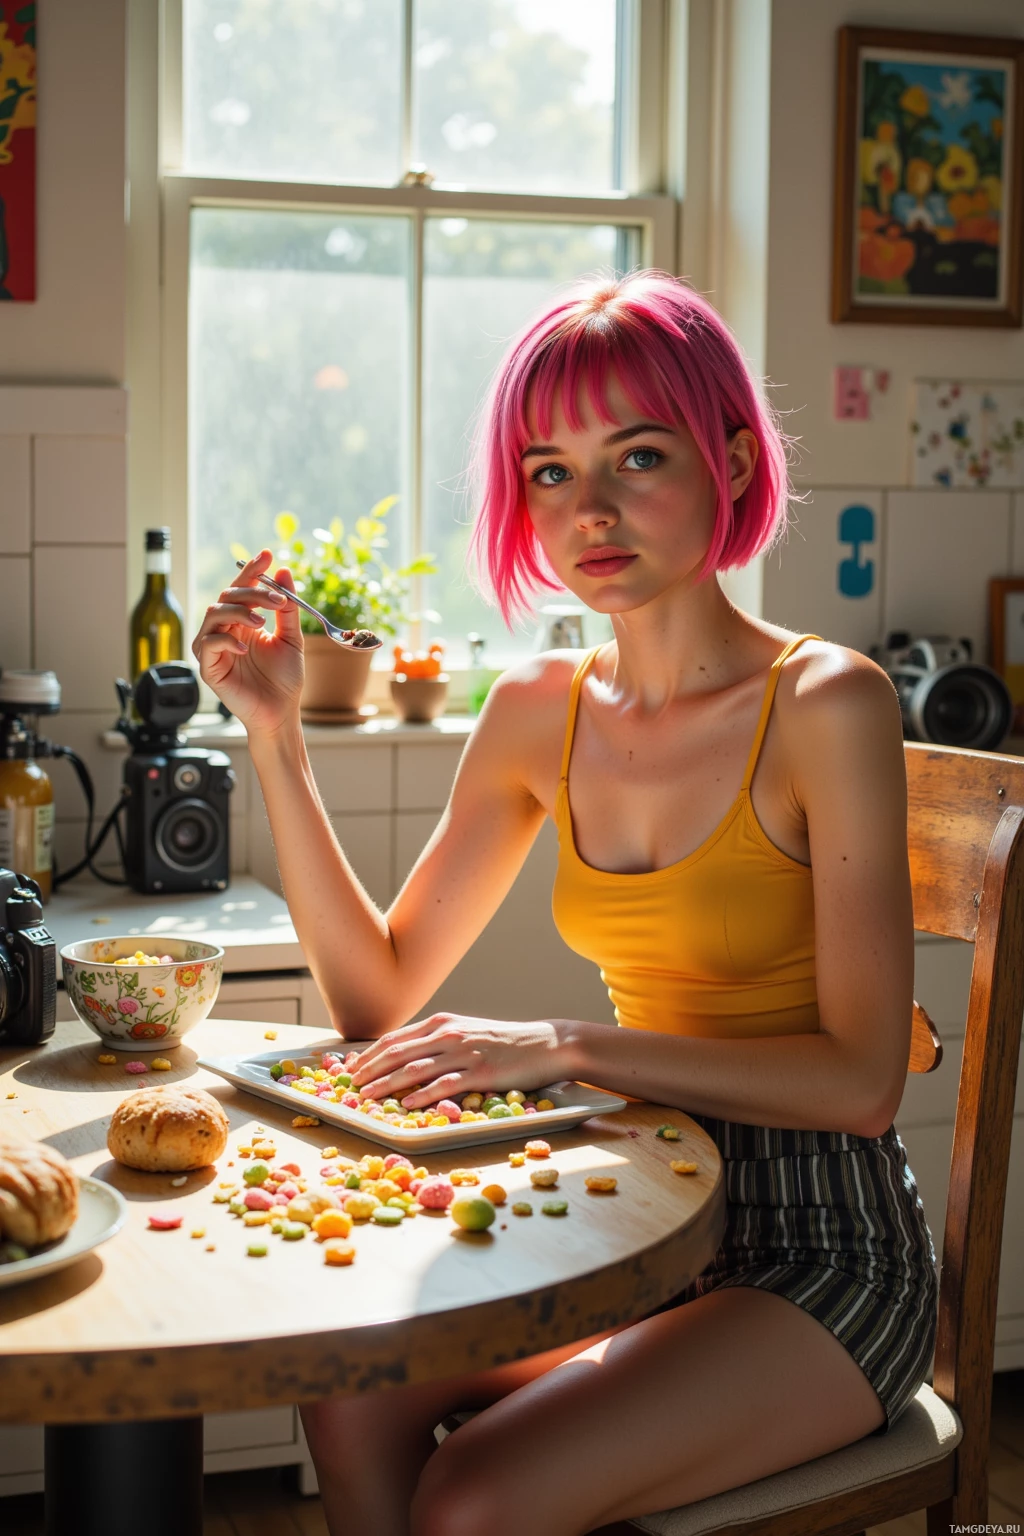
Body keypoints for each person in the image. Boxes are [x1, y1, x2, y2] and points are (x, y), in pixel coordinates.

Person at [193, 271, 937, 1536]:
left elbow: (863, 1081)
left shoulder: (828, 703)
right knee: (349, 1395)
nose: (587, 508)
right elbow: (374, 994)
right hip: (645, 1215)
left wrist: (561, 1045)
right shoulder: (534, 710)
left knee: (473, 1504)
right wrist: (276, 739)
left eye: (636, 457)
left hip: (826, 1251)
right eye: (548, 471)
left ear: (734, 461)